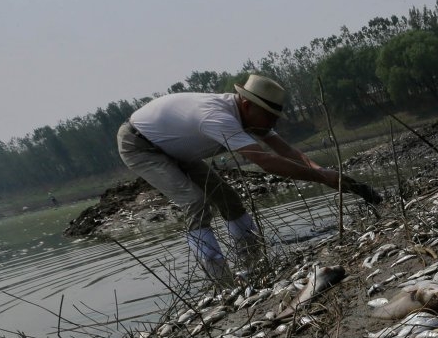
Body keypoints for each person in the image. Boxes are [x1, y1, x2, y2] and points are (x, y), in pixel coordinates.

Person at [117, 74, 381, 283]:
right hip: (141, 146)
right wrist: (320, 178)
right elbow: (265, 161)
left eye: (274, 117)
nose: (272, 123)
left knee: (230, 200)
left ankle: (252, 262)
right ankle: (221, 280)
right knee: (195, 201)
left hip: (174, 147)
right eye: (269, 116)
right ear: (246, 104)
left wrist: (324, 172)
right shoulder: (219, 117)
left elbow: (286, 151)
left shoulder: (252, 117)